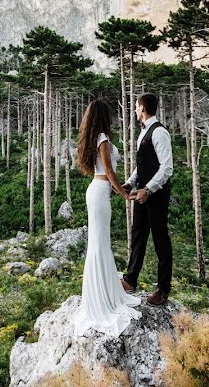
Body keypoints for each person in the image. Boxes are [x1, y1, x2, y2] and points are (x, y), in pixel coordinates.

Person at [70, 99, 142, 337]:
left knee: (100, 244)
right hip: (101, 192)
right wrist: (124, 193)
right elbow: (109, 171)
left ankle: (100, 294)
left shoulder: (94, 137)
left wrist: (117, 189)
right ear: (104, 117)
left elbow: (104, 172)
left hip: (98, 190)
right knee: (99, 245)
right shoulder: (103, 138)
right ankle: (100, 300)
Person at [121, 93, 174, 307]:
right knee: (138, 236)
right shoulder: (143, 133)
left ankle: (163, 290)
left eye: (135, 107)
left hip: (156, 196)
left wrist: (148, 190)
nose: (134, 110)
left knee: (161, 241)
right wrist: (130, 182)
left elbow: (167, 167)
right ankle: (130, 280)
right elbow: (142, 165)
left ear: (142, 108)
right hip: (142, 193)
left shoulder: (159, 132)